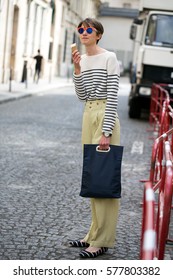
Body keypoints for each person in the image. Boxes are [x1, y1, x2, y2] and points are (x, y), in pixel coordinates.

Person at [70, 18, 121, 259]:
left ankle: (102, 241)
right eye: (81, 29)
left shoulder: (109, 57)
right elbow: (82, 96)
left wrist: (107, 131)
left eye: (89, 30)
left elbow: (113, 96)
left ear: (98, 34)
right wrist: (78, 70)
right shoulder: (84, 59)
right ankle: (92, 234)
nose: (84, 33)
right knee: (93, 177)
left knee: (104, 179)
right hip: (88, 113)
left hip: (104, 118)